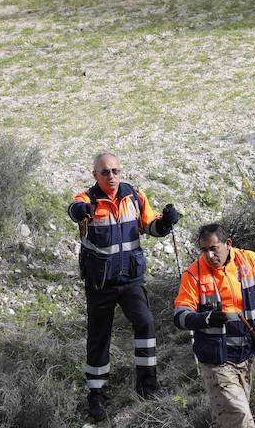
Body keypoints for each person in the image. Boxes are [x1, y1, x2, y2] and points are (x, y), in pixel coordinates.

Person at [68, 152, 180, 421]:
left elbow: (149, 226)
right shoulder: (87, 199)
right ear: (95, 175)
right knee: (99, 337)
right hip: (100, 283)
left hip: (130, 279)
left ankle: (147, 387)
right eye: (105, 172)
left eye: (115, 171)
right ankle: (96, 395)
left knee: (146, 324)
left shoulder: (134, 196)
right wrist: (81, 212)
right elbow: (73, 210)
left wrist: (164, 223)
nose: (111, 177)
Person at [174, 223, 255, 428]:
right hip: (216, 362)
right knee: (241, 419)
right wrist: (206, 318)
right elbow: (180, 317)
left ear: (228, 244)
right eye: (203, 250)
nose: (208, 255)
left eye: (213, 248)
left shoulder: (250, 261)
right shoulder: (193, 274)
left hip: (246, 356)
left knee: (227, 420)